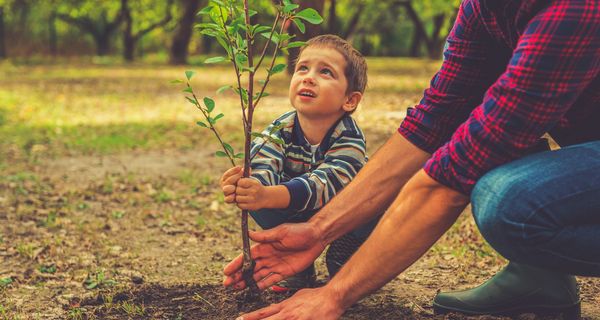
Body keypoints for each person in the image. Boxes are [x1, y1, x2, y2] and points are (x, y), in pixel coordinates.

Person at [223, 0, 600, 319]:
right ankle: (541, 277)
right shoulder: (482, 9)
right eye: (303, 68)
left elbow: (455, 173)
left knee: (508, 201)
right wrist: (317, 231)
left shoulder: (573, 9)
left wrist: (334, 294)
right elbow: (433, 121)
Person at [220, 34, 380, 292]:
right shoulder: (282, 126)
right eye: (302, 68)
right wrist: (250, 187)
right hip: (298, 208)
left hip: (345, 213)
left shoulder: (349, 137)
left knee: (370, 215)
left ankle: (350, 256)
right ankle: (298, 266)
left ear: (349, 100)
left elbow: (326, 184)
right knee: (259, 201)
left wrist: (271, 194)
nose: (308, 77)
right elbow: (263, 160)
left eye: (325, 72)